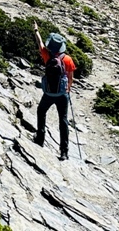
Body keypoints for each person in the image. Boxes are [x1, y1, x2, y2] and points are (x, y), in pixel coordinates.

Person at [33, 21, 76, 160]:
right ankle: (64, 151)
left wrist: (36, 30)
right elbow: (71, 78)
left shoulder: (46, 55)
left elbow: (40, 43)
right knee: (63, 121)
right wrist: (67, 90)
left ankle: (40, 138)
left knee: (41, 111)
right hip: (62, 94)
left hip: (49, 92)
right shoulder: (68, 59)